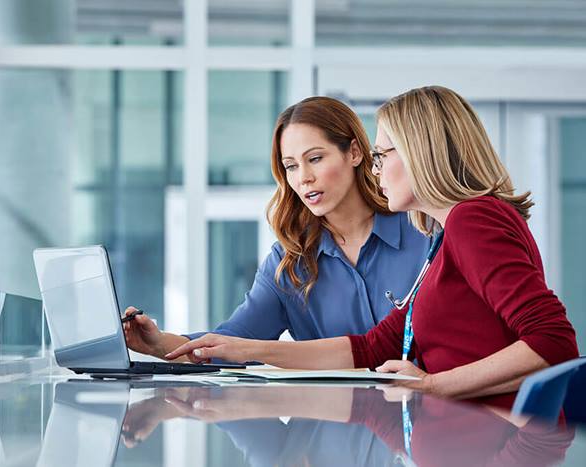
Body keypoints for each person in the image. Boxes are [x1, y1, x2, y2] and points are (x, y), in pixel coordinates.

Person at [165, 86, 579, 409]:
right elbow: (372, 348)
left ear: (420, 152)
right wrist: (244, 350)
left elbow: (553, 342)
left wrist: (432, 386)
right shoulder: (448, 233)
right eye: (291, 166)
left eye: (382, 155)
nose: (376, 169)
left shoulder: (472, 221)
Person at [123, 96, 430, 361]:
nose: (304, 177)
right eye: (291, 166)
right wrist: (157, 343)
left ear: (353, 152)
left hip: (427, 419)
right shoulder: (291, 261)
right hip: (332, 424)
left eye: (315, 159)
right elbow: (232, 342)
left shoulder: (424, 232)